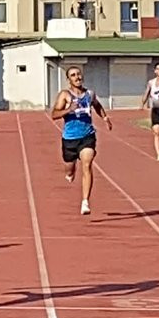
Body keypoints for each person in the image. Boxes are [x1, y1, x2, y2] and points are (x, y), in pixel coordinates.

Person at [51, 64, 112, 215]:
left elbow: (97, 106)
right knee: (69, 167)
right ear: (68, 80)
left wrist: (105, 118)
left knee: (87, 164)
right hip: (70, 138)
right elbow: (54, 114)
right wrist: (68, 110)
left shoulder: (89, 94)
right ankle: (70, 173)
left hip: (87, 136)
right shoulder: (65, 95)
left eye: (78, 74)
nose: (77, 77)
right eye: (73, 75)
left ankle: (85, 201)